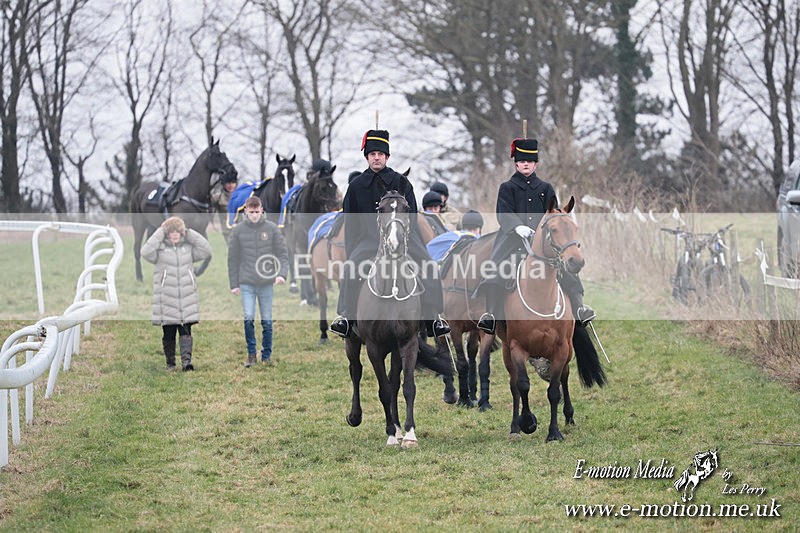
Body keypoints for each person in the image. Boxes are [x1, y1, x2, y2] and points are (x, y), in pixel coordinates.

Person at [329, 128, 450, 338]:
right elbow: (351, 223)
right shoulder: (356, 187)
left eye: (381, 155)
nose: (377, 158)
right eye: (373, 154)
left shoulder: (402, 182)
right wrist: (353, 250)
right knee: (350, 269)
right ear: (367, 157)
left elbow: (412, 215)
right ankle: (347, 318)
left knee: (429, 266)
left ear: (387, 157)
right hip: (369, 242)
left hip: (403, 239)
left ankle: (433, 318)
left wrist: (401, 237)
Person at [475, 138, 595, 335]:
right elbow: (503, 213)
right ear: (516, 163)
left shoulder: (545, 188)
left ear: (535, 164)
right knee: (497, 269)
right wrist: (517, 227)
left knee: (565, 267)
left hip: (544, 241)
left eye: (529, 161)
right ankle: (491, 315)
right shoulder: (507, 188)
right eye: (522, 161)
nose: (525, 164)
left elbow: (554, 214)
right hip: (513, 240)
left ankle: (580, 307)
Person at [141, 216, 212, 371]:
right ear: (167, 233)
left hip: (186, 298)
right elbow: (145, 252)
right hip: (167, 299)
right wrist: (160, 230)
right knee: (169, 332)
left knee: (186, 330)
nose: (174, 234)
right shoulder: (159, 251)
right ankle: (170, 363)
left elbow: (206, 250)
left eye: (177, 231)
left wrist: (189, 233)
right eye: (171, 231)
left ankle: (187, 362)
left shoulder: (189, 250)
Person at [228, 196, 289, 367]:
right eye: (251, 212)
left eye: (257, 212)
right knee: (248, 317)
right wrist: (234, 284)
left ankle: (266, 355)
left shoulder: (272, 229)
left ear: (262, 210)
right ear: (245, 211)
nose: (254, 215)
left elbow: (283, 254)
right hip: (246, 281)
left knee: (267, 320)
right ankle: (251, 354)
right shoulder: (238, 231)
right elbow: (232, 259)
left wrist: (282, 274)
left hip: (266, 282)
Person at [210, 173, 239, 241]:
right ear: (224, 184)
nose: (231, 185)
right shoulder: (218, 197)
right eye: (228, 183)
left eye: (233, 182)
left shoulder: (241, 196)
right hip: (227, 232)